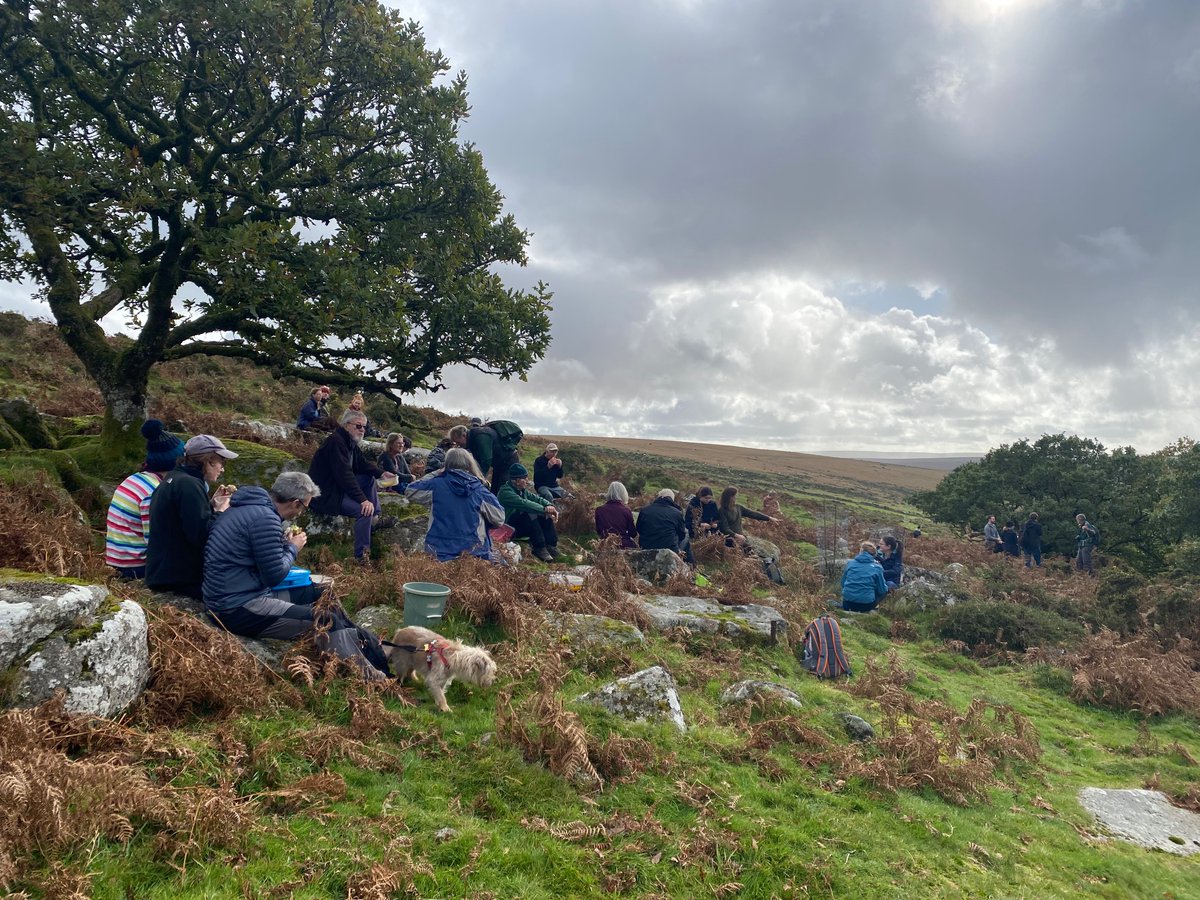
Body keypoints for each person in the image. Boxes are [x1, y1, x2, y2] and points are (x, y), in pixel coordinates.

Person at [203, 472, 385, 681]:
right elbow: (275, 576)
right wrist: (292, 548)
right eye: (304, 507)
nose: (301, 513)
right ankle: (370, 678)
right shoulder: (266, 519)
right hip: (238, 607)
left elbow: (254, 558)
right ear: (295, 503)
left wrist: (282, 544)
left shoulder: (248, 508)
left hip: (236, 593)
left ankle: (365, 645)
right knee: (327, 620)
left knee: (322, 593)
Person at [145, 434, 239, 598]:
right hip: (178, 579)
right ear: (208, 461)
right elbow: (202, 535)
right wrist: (221, 511)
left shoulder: (175, 478)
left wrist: (211, 504)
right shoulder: (190, 485)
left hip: (163, 571)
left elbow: (182, 521)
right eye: (221, 462)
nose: (222, 468)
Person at [105, 419, 186, 579]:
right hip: (135, 567)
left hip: (118, 560)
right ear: (177, 463)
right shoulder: (153, 492)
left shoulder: (135, 479)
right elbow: (156, 542)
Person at [307, 409, 391, 562]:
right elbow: (344, 474)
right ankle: (362, 557)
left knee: (369, 478)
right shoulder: (336, 442)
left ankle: (375, 519)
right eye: (359, 426)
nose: (363, 430)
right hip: (326, 493)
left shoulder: (349, 441)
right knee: (364, 512)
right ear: (346, 425)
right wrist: (362, 500)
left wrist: (381, 473)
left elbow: (362, 465)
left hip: (337, 487)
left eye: (365, 427)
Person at [406, 448, 506, 562]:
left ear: (446, 464)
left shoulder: (436, 485)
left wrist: (436, 472)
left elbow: (410, 491)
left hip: (438, 551)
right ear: (469, 464)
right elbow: (499, 518)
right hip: (474, 552)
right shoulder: (479, 491)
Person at [497, 463, 559, 562]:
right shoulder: (506, 492)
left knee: (544, 514)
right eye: (524, 478)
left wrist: (549, 506)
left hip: (519, 524)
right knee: (529, 513)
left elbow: (537, 499)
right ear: (516, 481)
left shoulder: (522, 490)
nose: (527, 481)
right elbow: (525, 504)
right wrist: (544, 509)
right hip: (508, 527)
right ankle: (539, 547)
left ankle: (551, 545)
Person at [635, 488, 692, 563]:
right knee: (686, 534)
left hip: (646, 547)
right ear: (672, 500)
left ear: (658, 497)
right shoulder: (677, 513)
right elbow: (682, 535)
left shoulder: (645, 510)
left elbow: (639, 529)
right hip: (669, 550)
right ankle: (690, 566)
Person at [468, 419, 523, 494]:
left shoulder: (482, 435)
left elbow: (486, 459)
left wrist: (480, 477)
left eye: (476, 426)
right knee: (494, 490)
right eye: (473, 426)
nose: (474, 427)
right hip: (500, 462)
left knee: (503, 490)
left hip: (508, 461)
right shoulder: (477, 436)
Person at [841, 541, 889, 612]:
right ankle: (874, 608)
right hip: (867, 605)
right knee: (884, 589)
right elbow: (882, 590)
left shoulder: (850, 563)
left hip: (847, 603)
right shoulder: (877, 567)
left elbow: (842, 583)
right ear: (874, 554)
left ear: (861, 551)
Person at [594, 481, 638, 548]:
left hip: (605, 545)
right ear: (623, 494)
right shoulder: (626, 510)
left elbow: (599, 531)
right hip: (624, 545)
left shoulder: (599, 510)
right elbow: (633, 533)